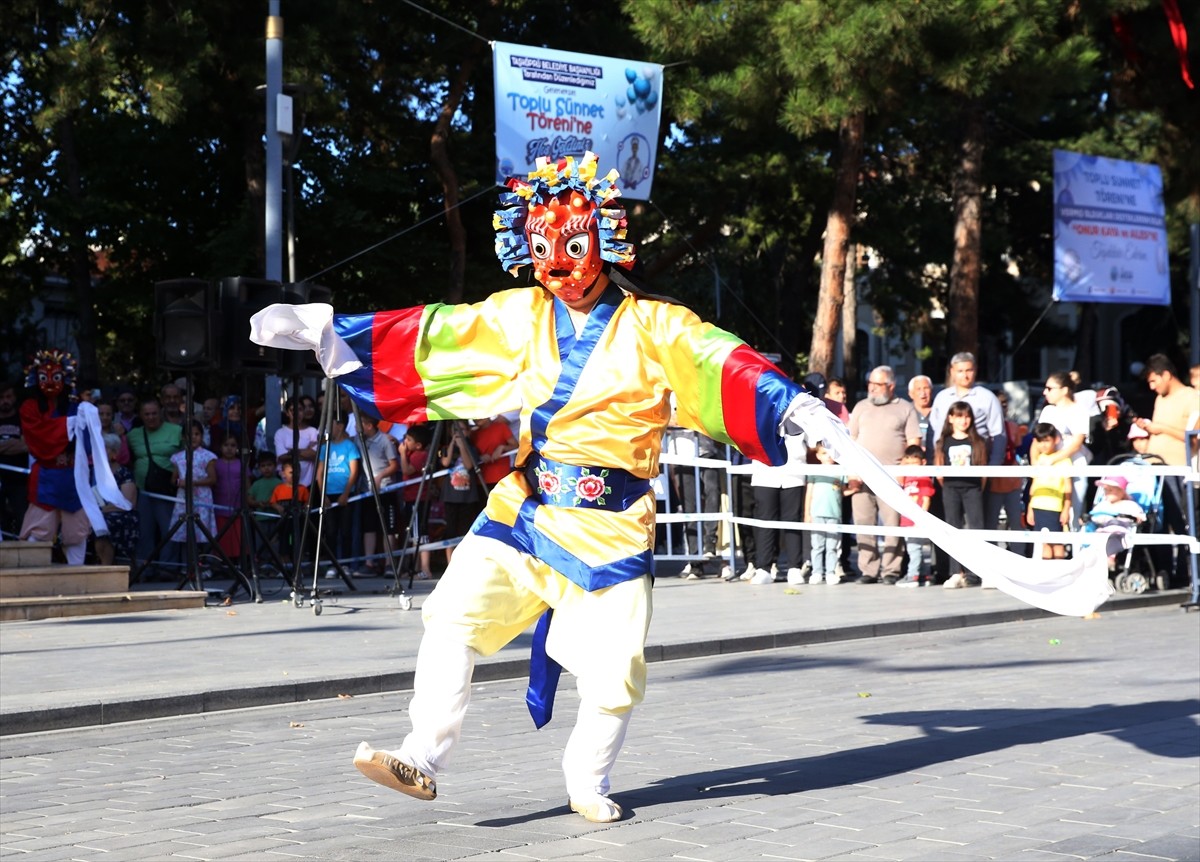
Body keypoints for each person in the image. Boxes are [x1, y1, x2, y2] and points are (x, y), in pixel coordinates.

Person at [251, 151, 1115, 824]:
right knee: (450, 618)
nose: (560, 265)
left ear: (605, 242)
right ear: (529, 251)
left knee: (616, 676)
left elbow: (724, 367)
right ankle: (423, 755)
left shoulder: (659, 328)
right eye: (544, 251)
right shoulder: (516, 319)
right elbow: (437, 338)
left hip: (613, 525)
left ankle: (586, 778)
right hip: (526, 506)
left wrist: (796, 409)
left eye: (575, 246)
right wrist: (331, 334)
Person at [848, 365, 922, 584]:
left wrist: (907, 474)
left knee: (893, 524)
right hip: (862, 477)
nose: (872, 388)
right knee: (864, 523)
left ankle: (891, 569)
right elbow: (850, 442)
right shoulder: (860, 407)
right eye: (870, 383)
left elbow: (913, 443)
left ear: (891, 385)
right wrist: (852, 473)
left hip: (893, 477)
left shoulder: (905, 408)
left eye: (877, 384)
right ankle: (868, 569)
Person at [1133, 354, 1198, 588]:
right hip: (1153, 466)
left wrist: (1160, 428)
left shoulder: (1192, 397)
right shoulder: (1160, 399)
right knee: (1155, 520)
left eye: (1154, 381)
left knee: (1178, 521)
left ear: (1166, 375)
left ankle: (1183, 571)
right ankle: (1163, 570)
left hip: (1176, 467)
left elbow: (1192, 438)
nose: (1152, 387)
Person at [128, 397, 184, 579]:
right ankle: (145, 569)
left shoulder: (176, 431)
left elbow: (188, 454)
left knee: (169, 530)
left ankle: (167, 570)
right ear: (141, 416)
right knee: (145, 532)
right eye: (147, 414)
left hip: (167, 490)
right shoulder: (133, 435)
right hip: (142, 490)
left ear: (160, 413)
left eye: (154, 413)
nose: (151, 417)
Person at [937, 401, 988, 588]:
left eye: (967, 416)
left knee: (976, 527)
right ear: (950, 418)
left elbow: (982, 470)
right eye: (959, 416)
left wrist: (977, 487)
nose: (963, 420)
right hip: (951, 488)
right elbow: (940, 470)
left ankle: (978, 572)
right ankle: (955, 572)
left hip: (972, 488)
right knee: (952, 527)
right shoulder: (944, 441)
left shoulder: (978, 441)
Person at [1037, 371, 1093, 527]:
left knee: (1074, 512)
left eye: (1049, 388)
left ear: (1064, 390)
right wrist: (1038, 462)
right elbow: (1038, 439)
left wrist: (1053, 459)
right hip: (1050, 468)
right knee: (1048, 510)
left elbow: (1077, 442)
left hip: (1074, 465)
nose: (1045, 392)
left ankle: (1076, 550)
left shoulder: (1079, 411)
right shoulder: (1048, 411)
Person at [314, 413, 361, 576]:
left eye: (331, 425)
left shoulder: (350, 446)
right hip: (329, 495)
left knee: (346, 530)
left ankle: (346, 565)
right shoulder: (324, 448)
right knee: (331, 531)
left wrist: (346, 493)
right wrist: (323, 495)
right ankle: (332, 565)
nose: (328, 429)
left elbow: (354, 472)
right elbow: (319, 473)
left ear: (340, 426)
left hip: (346, 494)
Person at [359, 414, 401, 574]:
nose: (357, 427)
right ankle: (369, 563)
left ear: (369, 425)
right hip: (366, 491)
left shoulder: (384, 440)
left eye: (360, 423)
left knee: (388, 528)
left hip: (385, 490)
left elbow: (394, 465)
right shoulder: (358, 439)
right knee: (369, 527)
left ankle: (389, 564)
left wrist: (380, 476)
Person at [169, 419, 218, 551]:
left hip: (202, 498)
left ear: (201, 436)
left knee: (202, 531)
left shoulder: (208, 456)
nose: (194, 438)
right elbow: (174, 479)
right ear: (184, 437)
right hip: (184, 499)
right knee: (185, 531)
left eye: (197, 434)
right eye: (190, 435)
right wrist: (180, 483)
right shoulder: (178, 457)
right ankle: (187, 566)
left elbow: (212, 479)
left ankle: (204, 564)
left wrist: (193, 482)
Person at [438, 420, 482, 566]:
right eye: (456, 430)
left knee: (465, 529)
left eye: (462, 430)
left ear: (468, 432)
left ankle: (464, 562)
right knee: (450, 529)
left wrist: (462, 445)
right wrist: (452, 443)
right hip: (451, 496)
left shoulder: (472, 448)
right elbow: (445, 462)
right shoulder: (446, 447)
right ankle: (450, 562)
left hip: (467, 496)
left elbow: (469, 465)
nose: (459, 433)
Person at [1026, 423, 1071, 561]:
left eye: (1047, 440)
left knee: (1057, 544)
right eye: (1040, 441)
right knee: (1043, 544)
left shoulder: (1064, 461)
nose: (1043, 445)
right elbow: (1034, 485)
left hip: (1055, 508)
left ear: (1055, 439)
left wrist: (1066, 509)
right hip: (1038, 507)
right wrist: (1030, 508)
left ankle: (1060, 576)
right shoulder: (1037, 461)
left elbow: (1068, 488)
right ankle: (1048, 577)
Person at [803, 442, 846, 585]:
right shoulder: (815, 471)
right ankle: (816, 572)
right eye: (824, 453)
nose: (828, 457)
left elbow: (843, 491)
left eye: (831, 453)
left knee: (832, 546)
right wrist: (807, 514)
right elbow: (809, 493)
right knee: (817, 546)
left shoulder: (841, 471)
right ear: (817, 456)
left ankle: (830, 572)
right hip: (816, 514)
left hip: (834, 515)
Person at [94, 432, 139, 565]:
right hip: (97, 513)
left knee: (104, 524)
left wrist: (100, 511)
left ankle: (105, 568)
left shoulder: (124, 473)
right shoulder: (92, 472)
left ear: (114, 452)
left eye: (104, 448)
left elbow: (128, 504)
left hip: (120, 515)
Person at [397, 423, 434, 580]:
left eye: (409, 439)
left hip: (418, 498)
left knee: (420, 535)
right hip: (410, 498)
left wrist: (402, 454)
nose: (405, 441)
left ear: (418, 445)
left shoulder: (420, 455)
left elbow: (407, 470)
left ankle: (425, 569)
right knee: (414, 535)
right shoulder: (413, 453)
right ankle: (416, 569)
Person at [896, 444, 934, 587]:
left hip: (916, 520)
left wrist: (920, 519)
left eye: (914, 463)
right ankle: (924, 575)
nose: (911, 467)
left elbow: (926, 499)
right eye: (908, 463)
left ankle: (913, 576)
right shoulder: (907, 478)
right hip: (906, 519)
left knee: (914, 549)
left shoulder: (924, 478)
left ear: (923, 463)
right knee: (914, 548)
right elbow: (898, 477)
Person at [0, 381, 29, 540]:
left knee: (21, 517)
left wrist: (2, 446)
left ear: (14, 398)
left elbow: (26, 446)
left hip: (19, 479)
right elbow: (19, 444)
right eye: (1, 397)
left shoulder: (22, 418)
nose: (5, 400)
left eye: (8, 396)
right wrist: (13, 444)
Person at [212, 435, 244, 562]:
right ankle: (222, 561)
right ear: (220, 447)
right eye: (226, 445)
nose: (229, 449)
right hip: (219, 505)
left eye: (233, 445)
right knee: (223, 536)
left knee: (237, 536)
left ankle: (237, 561)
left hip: (237, 506)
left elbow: (246, 483)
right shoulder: (215, 463)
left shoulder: (241, 463)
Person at [274, 398, 319, 489]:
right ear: (287, 413)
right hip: (287, 483)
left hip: (310, 483)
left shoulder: (313, 431)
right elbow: (282, 457)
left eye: (300, 409)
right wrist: (306, 450)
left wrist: (291, 451)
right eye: (292, 410)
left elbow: (315, 455)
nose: (297, 413)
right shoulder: (280, 433)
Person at [470, 415, 516, 491]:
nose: (476, 418)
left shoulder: (501, 427)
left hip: (502, 477)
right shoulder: (473, 434)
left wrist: (502, 447)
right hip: (481, 480)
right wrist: (479, 457)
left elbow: (515, 446)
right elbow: (469, 454)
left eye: (479, 414)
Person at [1089, 386, 1133, 466]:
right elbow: (1094, 449)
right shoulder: (1096, 422)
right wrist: (1104, 431)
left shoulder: (1128, 422)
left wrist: (1113, 432)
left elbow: (1125, 449)